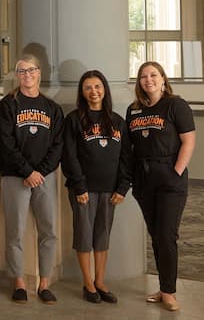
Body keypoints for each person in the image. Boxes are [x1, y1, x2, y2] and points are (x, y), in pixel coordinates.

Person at [126, 61, 195, 312]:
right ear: (139, 82)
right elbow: (130, 148)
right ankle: (163, 286)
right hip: (143, 180)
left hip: (169, 177)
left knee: (167, 236)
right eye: (143, 76)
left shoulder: (176, 104)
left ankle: (169, 292)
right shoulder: (133, 110)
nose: (148, 80)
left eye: (153, 75)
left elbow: (188, 142)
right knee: (156, 236)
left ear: (163, 79)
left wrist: (175, 172)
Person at [0, 55, 64, 304]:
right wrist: (27, 171)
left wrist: (40, 172)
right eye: (22, 71)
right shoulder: (8, 105)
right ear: (17, 75)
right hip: (16, 176)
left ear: (39, 73)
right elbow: (6, 143)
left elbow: (58, 146)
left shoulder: (52, 108)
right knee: (15, 231)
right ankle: (19, 282)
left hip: (44, 177)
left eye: (31, 70)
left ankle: (44, 282)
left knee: (49, 230)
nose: (27, 75)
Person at [62, 70, 131, 304]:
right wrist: (79, 187)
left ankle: (100, 281)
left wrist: (123, 187)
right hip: (84, 190)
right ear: (82, 92)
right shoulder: (73, 120)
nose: (94, 92)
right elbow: (69, 156)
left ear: (105, 89)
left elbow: (125, 157)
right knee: (84, 236)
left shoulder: (117, 120)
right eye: (88, 87)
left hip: (110, 190)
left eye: (98, 86)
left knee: (102, 236)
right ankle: (88, 283)